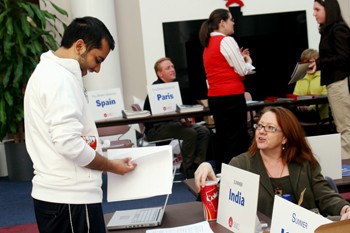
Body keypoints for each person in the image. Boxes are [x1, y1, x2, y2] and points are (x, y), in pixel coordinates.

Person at [24, 17, 137, 233]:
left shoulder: (50, 73)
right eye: (98, 59)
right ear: (79, 46)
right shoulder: (60, 79)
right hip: (70, 200)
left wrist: (108, 160)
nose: (97, 69)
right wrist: (111, 166)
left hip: (61, 197)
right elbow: (70, 145)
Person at [195, 106, 350, 220]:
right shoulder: (241, 164)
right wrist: (208, 171)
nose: (262, 131)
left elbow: (325, 195)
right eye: (260, 126)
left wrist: (344, 208)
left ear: (285, 138)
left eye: (270, 128)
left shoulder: (304, 163)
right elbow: (220, 203)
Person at [199, 8, 255, 173]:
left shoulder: (207, 45)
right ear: (222, 23)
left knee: (223, 138)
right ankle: (240, 174)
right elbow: (242, 71)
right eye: (231, 19)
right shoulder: (227, 41)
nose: (233, 22)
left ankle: (225, 176)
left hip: (216, 98)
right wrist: (248, 61)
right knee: (237, 140)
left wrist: (240, 60)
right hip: (231, 96)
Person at [143, 57, 210, 179]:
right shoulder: (156, 89)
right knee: (190, 133)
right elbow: (156, 116)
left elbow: (179, 109)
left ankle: (197, 164)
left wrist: (184, 120)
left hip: (175, 124)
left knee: (203, 131)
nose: (172, 70)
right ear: (160, 73)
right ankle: (188, 168)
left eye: (172, 67)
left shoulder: (175, 86)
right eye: (168, 68)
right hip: (156, 129)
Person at [312, 0, 350, 159]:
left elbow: (344, 57)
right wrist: (318, 64)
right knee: (344, 127)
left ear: (329, 10)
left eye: (317, 9)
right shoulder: (331, 30)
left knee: (345, 128)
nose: (314, 13)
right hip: (335, 83)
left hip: (339, 83)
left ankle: (347, 169)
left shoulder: (338, 29)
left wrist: (319, 63)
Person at [292, 48, 329, 122]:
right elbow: (295, 95)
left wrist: (312, 108)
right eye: (305, 63)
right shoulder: (301, 77)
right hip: (303, 117)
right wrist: (300, 106)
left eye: (311, 62)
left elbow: (326, 95)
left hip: (323, 118)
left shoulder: (325, 75)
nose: (308, 65)